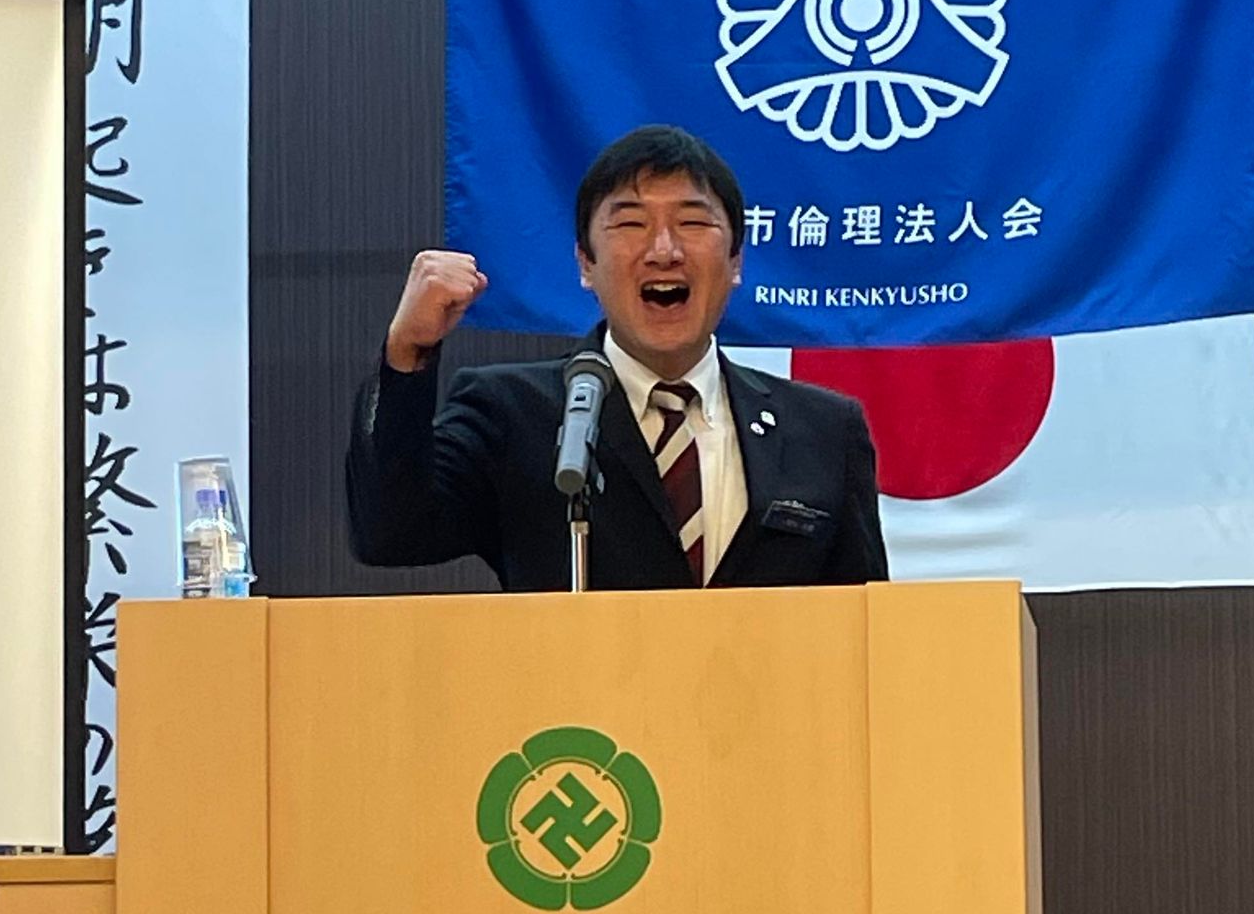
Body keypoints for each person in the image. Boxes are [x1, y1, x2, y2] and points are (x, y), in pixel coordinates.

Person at [346, 124, 888, 591]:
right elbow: (390, 533)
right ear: (586, 263)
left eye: (692, 223)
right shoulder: (512, 412)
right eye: (630, 224)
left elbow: (865, 626)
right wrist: (407, 353)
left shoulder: (822, 431)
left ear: (736, 261)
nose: (664, 250)